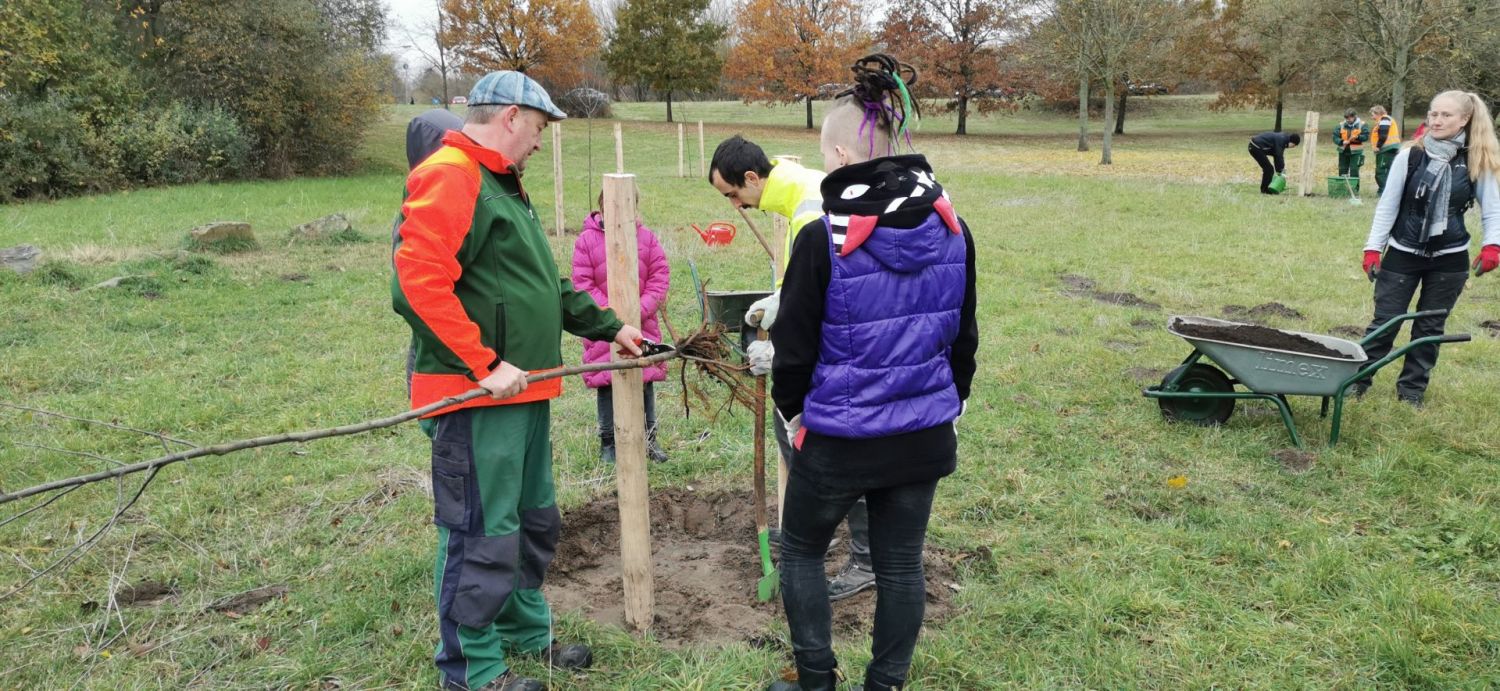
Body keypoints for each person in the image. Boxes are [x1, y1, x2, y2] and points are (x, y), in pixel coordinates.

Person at [392, 70, 643, 691]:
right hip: (478, 398)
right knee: (482, 528)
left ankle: (525, 633)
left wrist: (610, 326)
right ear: (509, 117)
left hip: (525, 392)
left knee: (531, 521)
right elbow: (415, 283)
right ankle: (473, 670)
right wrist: (483, 365)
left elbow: (544, 286)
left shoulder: (503, 185)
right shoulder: (452, 176)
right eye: (537, 128)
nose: (539, 141)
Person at [766, 53, 978, 691]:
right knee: (901, 564)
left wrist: (796, 415)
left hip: (840, 438)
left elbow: (792, 349)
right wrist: (952, 404)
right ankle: (885, 684)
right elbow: (964, 339)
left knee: (800, 549)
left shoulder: (820, 236)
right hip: (923, 434)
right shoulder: (955, 228)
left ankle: (817, 680)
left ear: (836, 156)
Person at [708, 135, 878, 600]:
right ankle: (815, 533)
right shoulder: (798, 189)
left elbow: (821, 298)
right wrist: (780, 298)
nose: (737, 206)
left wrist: (780, 353)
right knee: (799, 444)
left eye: (734, 195)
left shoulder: (806, 208)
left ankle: (862, 557)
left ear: (751, 178)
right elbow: (803, 283)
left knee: (828, 451)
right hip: (842, 345)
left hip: (842, 353)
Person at [1355, 90, 1500, 407]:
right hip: (1403, 252)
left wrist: (1493, 247)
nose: (1437, 120)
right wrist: (1372, 249)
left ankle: (1411, 392)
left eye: (1446, 115)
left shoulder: (1476, 159)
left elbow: (1492, 209)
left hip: (1450, 259)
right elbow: (1387, 207)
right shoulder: (1411, 156)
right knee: (1385, 322)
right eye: (1433, 114)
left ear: (1465, 119)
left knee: (1429, 328)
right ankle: (1355, 382)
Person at [572, 188, 671, 464]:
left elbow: (659, 276)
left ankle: (649, 438)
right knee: (607, 381)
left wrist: (639, 310)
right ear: (601, 208)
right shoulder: (586, 241)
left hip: (643, 324)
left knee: (645, 379)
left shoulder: (647, 239)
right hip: (604, 329)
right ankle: (609, 443)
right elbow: (583, 284)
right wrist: (612, 317)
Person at [1370, 105, 1403, 193]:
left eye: (1373, 114)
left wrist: (1378, 146)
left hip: (1387, 149)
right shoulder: (1385, 120)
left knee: (1382, 171)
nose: (1372, 117)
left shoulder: (1384, 119)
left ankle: (1383, 192)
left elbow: (1383, 135)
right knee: (1389, 170)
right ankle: (1391, 191)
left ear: (1378, 113)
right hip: (1390, 148)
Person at [1336, 107, 1371, 179]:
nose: (1348, 120)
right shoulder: (1340, 125)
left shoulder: (1363, 124)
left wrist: (1357, 137)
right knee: (1342, 171)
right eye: (1346, 118)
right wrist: (1342, 141)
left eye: (1350, 118)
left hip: (1356, 152)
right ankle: (1343, 188)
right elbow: (1335, 137)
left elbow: (1366, 137)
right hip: (1343, 151)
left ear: (1355, 116)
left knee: (1354, 171)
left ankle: (1354, 189)